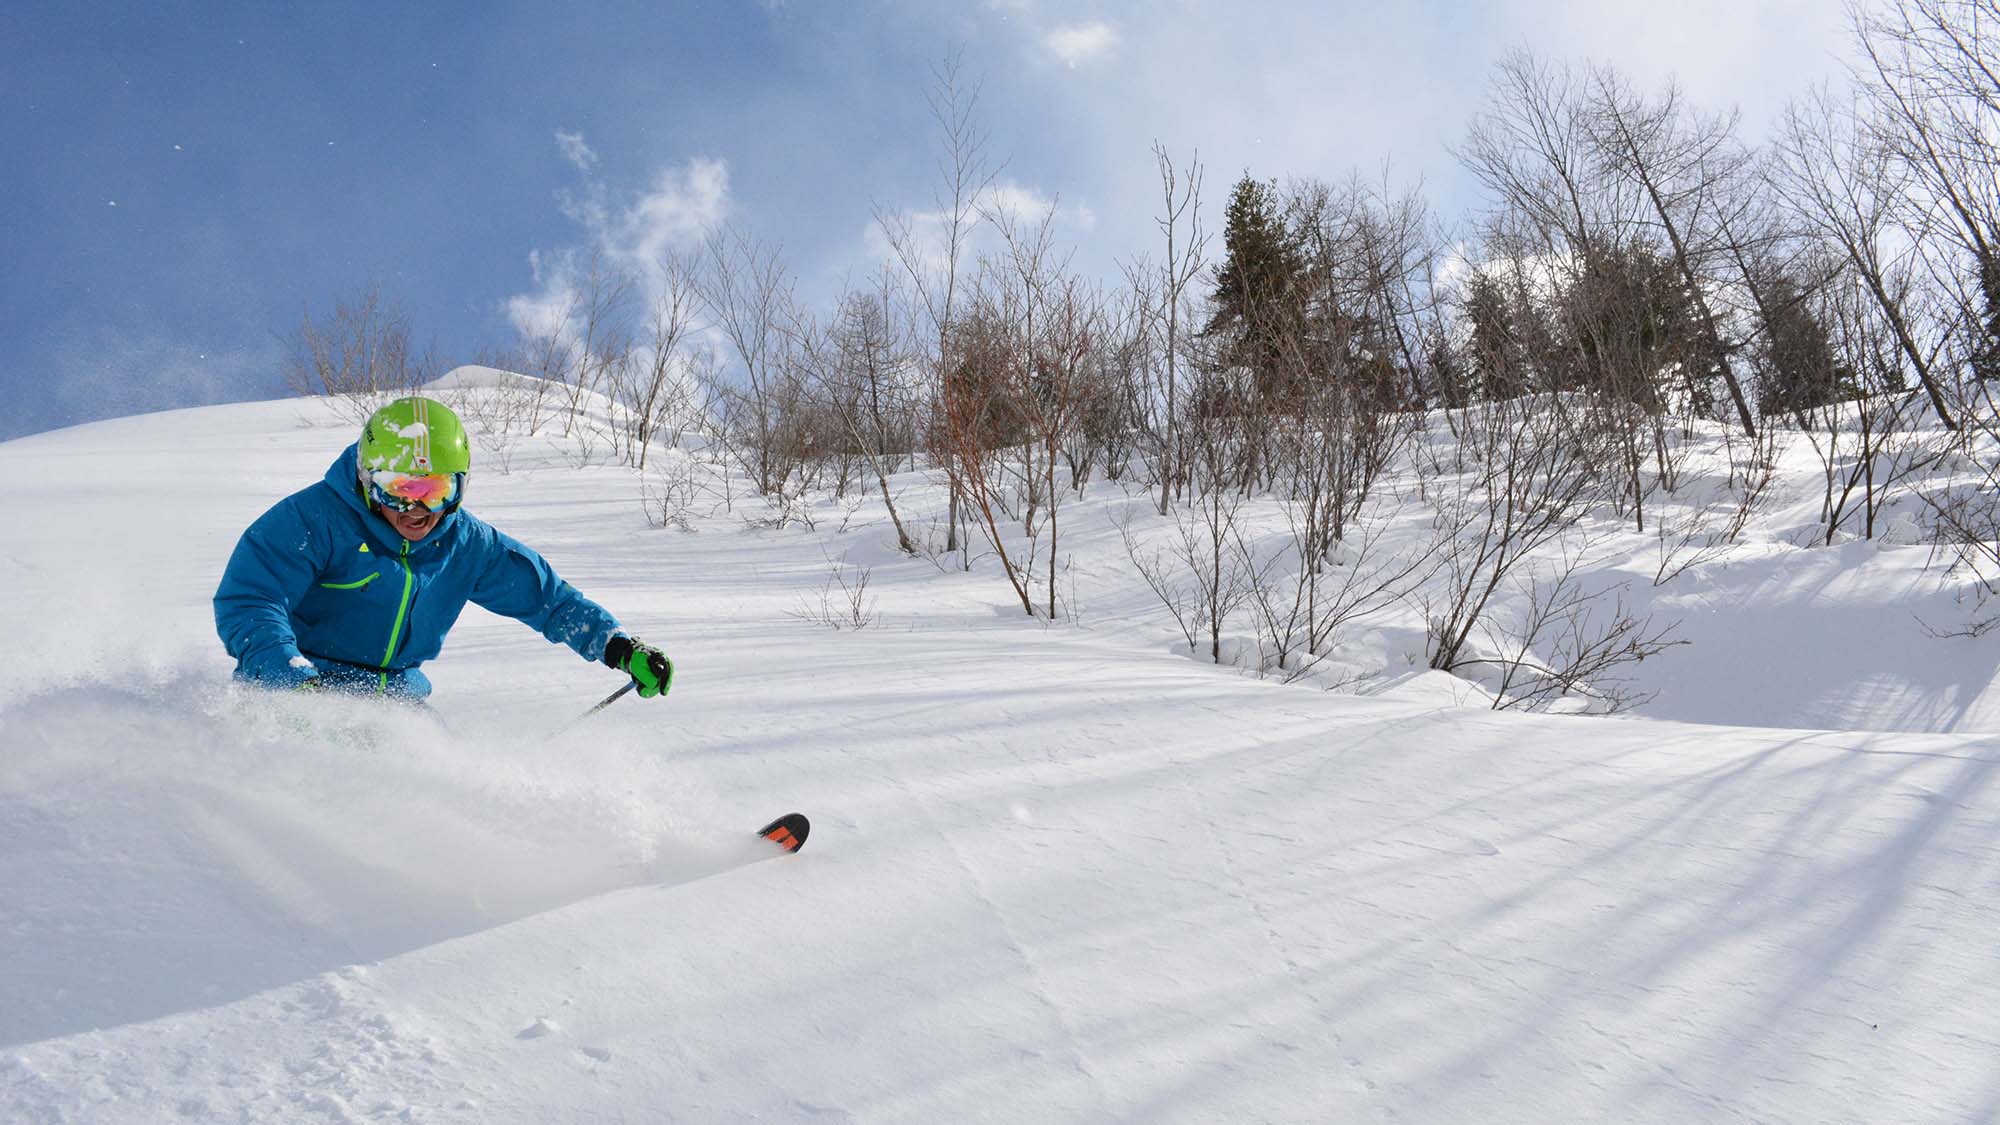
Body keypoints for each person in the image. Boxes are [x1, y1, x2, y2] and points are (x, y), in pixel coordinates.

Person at [214, 395, 671, 702]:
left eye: (435, 490)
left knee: (453, 797)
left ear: (461, 486)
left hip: (397, 700)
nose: (416, 509)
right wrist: (286, 675)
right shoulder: (314, 519)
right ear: (367, 480)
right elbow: (253, 597)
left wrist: (620, 648)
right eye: (397, 489)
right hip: (302, 688)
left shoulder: (467, 544)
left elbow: (548, 601)